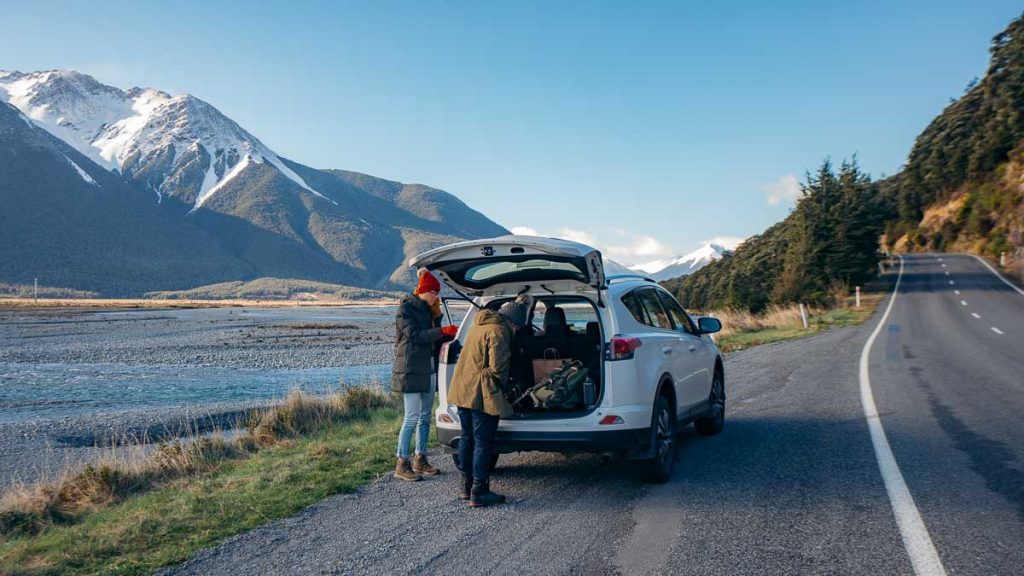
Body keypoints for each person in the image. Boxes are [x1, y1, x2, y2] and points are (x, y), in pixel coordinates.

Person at [448, 293, 533, 507]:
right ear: (513, 322)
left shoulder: (479, 324)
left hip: (461, 389)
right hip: (481, 393)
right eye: (517, 328)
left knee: (467, 438)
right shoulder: (500, 331)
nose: (516, 332)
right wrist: (503, 389)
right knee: (483, 443)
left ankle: (466, 487)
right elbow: (498, 368)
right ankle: (480, 491)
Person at [392, 269, 458, 482]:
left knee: (424, 417)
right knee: (411, 417)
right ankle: (402, 462)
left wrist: (444, 330)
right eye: (433, 293)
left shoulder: (430, 312)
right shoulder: (405, 310)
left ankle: (420, 458)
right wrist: (442, 331)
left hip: (428, 369)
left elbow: (434, 341)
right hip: (410, 370)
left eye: (437, 293)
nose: (435, 297)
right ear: (422, 291)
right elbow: (415, 336)